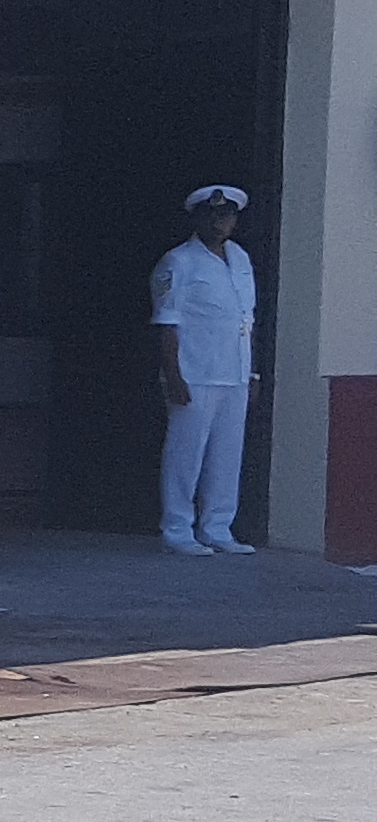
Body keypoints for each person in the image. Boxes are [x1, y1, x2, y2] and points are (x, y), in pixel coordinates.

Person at [154, 183, 260, 557]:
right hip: (195, 373)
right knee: (185, 455)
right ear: (198, 218)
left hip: (234, 373)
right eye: (213, 214)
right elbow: (167, 324)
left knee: (227, 456)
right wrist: (173, 375)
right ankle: (177, 528)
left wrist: (253, 373)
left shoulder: (240, 259)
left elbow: (246, 319)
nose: (220, 222)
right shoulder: (178, 262)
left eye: (227, 215)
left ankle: (217, 527)